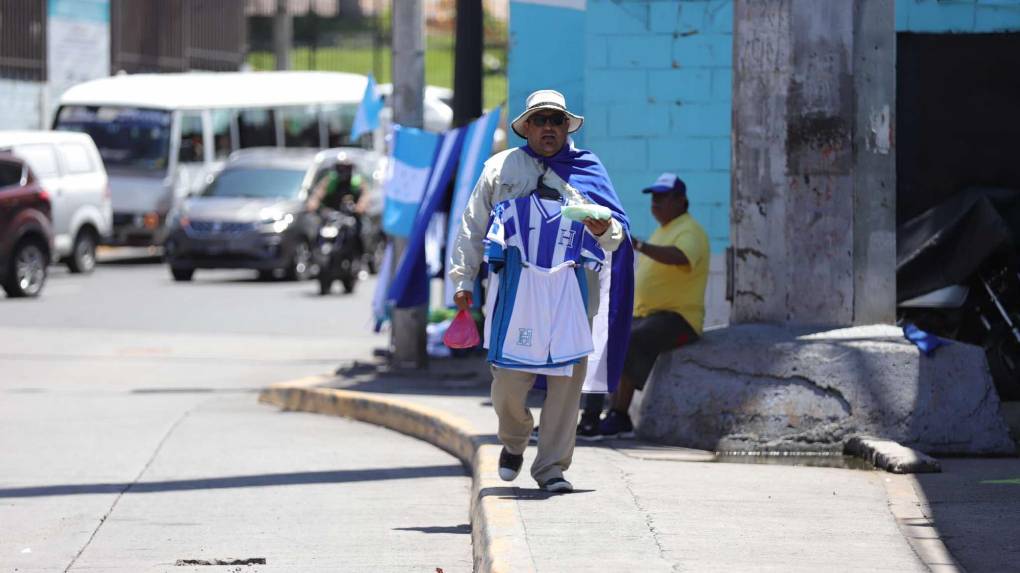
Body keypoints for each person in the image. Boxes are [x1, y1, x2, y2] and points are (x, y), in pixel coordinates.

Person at [448, 89, 631, 493]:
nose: (549, 128)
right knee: (508, 386)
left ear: (567, 127)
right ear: (526, 127)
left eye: (557, 120)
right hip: (515, 291)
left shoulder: (587, 170)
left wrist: (605, 229)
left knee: (566, 386)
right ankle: (515, 440)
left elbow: (617, 231)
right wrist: (462, 280)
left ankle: (551, 469)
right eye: (541, 120)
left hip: (572, 292)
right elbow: (472, 226)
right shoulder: (500, 168)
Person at [580, 172, 709, 439]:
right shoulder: (664, 230)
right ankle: (590, 419)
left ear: (680, 200)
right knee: (606, 340)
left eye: (662, 197)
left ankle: (620, 415)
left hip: (679, 319)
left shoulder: (690, 230)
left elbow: (680, 256)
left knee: (633, 340)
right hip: (648, 315)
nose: (655, 203)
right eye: (653, 198)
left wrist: (638, 244)